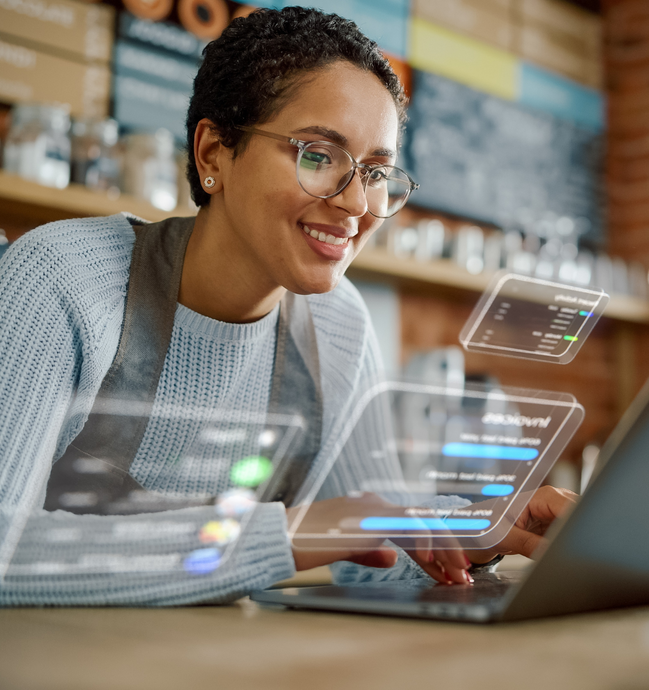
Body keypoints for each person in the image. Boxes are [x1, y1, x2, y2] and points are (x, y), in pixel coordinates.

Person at [0, 6, 576, 606]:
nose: (356, 203)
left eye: (376, 171)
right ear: (214, 153)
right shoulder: (63, 278)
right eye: (318, 155)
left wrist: (471, 528)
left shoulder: (339, 325)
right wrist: (291, 534)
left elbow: (369, 550)